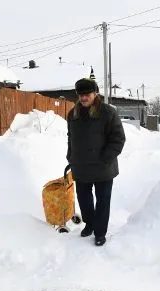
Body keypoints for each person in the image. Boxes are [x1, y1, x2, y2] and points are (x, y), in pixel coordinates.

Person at [66, 78, 126, 246]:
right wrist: (70, 156)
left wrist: (105, 158)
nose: (84, 98)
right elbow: (70, 137)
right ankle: (90, 224)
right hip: (81, 166)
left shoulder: (108, 112)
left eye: (87, 94)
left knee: (102, 201)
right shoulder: (73, 114)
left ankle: (100, 232)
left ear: (95, 93)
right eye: (80, 95)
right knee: (84, 200)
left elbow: (118, 138)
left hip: (103, 167)